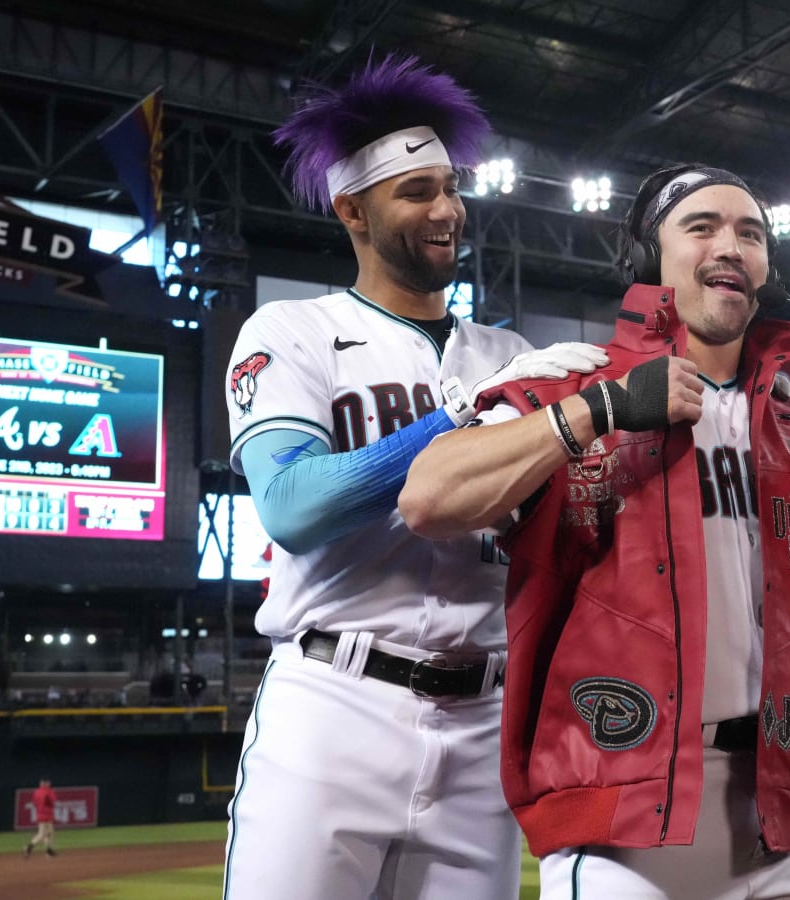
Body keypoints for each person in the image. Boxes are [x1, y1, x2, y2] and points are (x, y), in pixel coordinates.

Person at [401, 162, 790, 898]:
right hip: (621, 814)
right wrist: (597, 410)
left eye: (751, 233)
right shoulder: (575, 382)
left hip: (770, 814)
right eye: (702, 226)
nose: (731, 245)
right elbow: (428, 496)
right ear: (652, 257)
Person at [221, 55, 606, 900]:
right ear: (351, 208)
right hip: (333, 708)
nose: (448, 211)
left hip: (482, 720)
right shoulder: (293, 331)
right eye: (418, 192)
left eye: (451, 187)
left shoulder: (514, 356)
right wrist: (459, 417)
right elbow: (290, 506)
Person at [23, 778, 57, 857]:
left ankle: (48, 850)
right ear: (47, 783)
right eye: (48, 782)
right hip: (47, 814)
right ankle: (28, 848)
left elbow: (34, 803)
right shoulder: (49, 791)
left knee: (49, 833)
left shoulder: (37, 792)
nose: (49, 784)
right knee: (42, 834)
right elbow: (53, 801)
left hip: (40, 814)